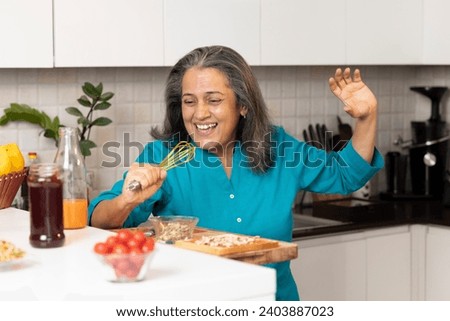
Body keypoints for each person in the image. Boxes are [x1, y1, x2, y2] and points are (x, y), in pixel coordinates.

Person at [88, 45, 384, 300]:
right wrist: (126, 200)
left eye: (213, 100)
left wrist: (367, 119)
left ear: (242, 104)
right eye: (189, 101)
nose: (199, 113)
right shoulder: (163, 157)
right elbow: (99, 218)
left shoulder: (278, 147)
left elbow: (346, 175)